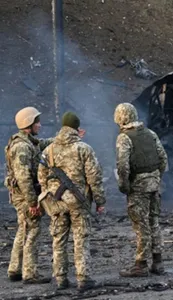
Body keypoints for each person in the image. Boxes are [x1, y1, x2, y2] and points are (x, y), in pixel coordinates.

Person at [37, 112, 106, 291]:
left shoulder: (48, 150)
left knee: (59, 239)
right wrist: (99, 201)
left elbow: (41, 177)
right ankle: (83, 278)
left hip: (56, 202)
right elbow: (94, 177)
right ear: (76, 128)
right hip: (78, 202)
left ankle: (60, 278)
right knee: (81, 238)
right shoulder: (83, 148)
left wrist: (49, 194)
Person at [114, 103, 168, 277]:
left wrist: (124, 186)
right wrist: (156, 178)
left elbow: (123, 166)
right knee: (154, 222)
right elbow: (163, 159)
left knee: (141, 225)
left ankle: (141, 264)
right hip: (154, 184)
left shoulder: (124, 138)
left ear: (120, 118)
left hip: (138, 187)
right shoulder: (151, 134)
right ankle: (158, 262)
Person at [4, 107, 53, 284]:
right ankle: (30, 273)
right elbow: (23, 177)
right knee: (33, 230)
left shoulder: (28, 142)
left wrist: (67, 137)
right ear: (28, 125)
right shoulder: (22, 147)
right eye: (36, 122)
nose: (39, 125)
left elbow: (43, 143)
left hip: (24, 195)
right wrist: (33, 202)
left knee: (23, 229)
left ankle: (15, 269)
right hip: (25, 196)